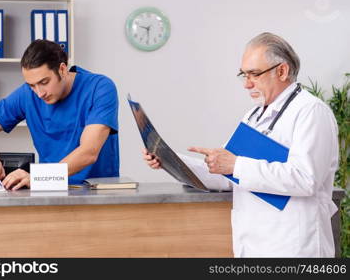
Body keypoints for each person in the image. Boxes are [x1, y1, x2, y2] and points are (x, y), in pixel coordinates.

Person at [143, 32, 339, 257]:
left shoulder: (311, 112)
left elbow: (306, 179)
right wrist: (170, 160)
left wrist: (236, 165)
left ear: (282, 71)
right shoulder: (253, 115)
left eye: (254, 74)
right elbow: (225, 175)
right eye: (243, 75)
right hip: (253, 243)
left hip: (293, 245)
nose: (247, 84)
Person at [0, 39, 119, 190]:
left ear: (63, 70)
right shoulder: (27, 94)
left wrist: (38, 177)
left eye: (44, 82)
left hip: (96, 192)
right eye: (32, 85)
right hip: (48, 190)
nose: (39, 93)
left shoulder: (100, 88)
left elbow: (88, 152)